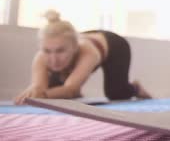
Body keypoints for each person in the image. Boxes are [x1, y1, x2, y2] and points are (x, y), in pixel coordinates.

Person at [14, 10, 151, 105]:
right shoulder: (41, 57)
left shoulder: (88, 52)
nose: (53, 59)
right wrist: (34, 92)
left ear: (74, 48)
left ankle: (136, 88)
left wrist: (40, 96)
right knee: (54, 88)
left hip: (114, 46)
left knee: (116, 93)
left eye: (60, 51)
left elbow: (71, 89)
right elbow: (39, 88)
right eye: (47, 51)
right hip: (78, 40)